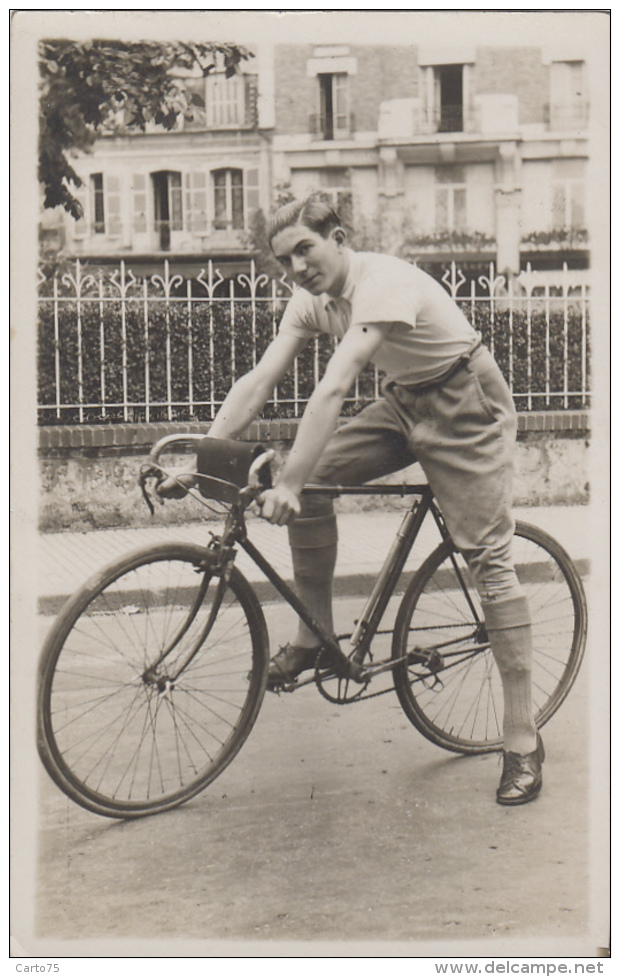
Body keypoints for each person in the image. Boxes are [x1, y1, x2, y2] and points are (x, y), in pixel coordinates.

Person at [158, 197, 544, 806]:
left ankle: (522, 740)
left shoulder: (384, 283)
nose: (296, 268)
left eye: (305, 250)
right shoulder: (310, 299)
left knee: (490, 564)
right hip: (402, 402)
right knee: (308, 484)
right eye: (284, 260)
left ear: (337, 238)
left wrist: (284, 485)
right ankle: (317, 640)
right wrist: (201, 462)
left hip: (466, 402)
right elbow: (260, 379)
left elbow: (335, 386)